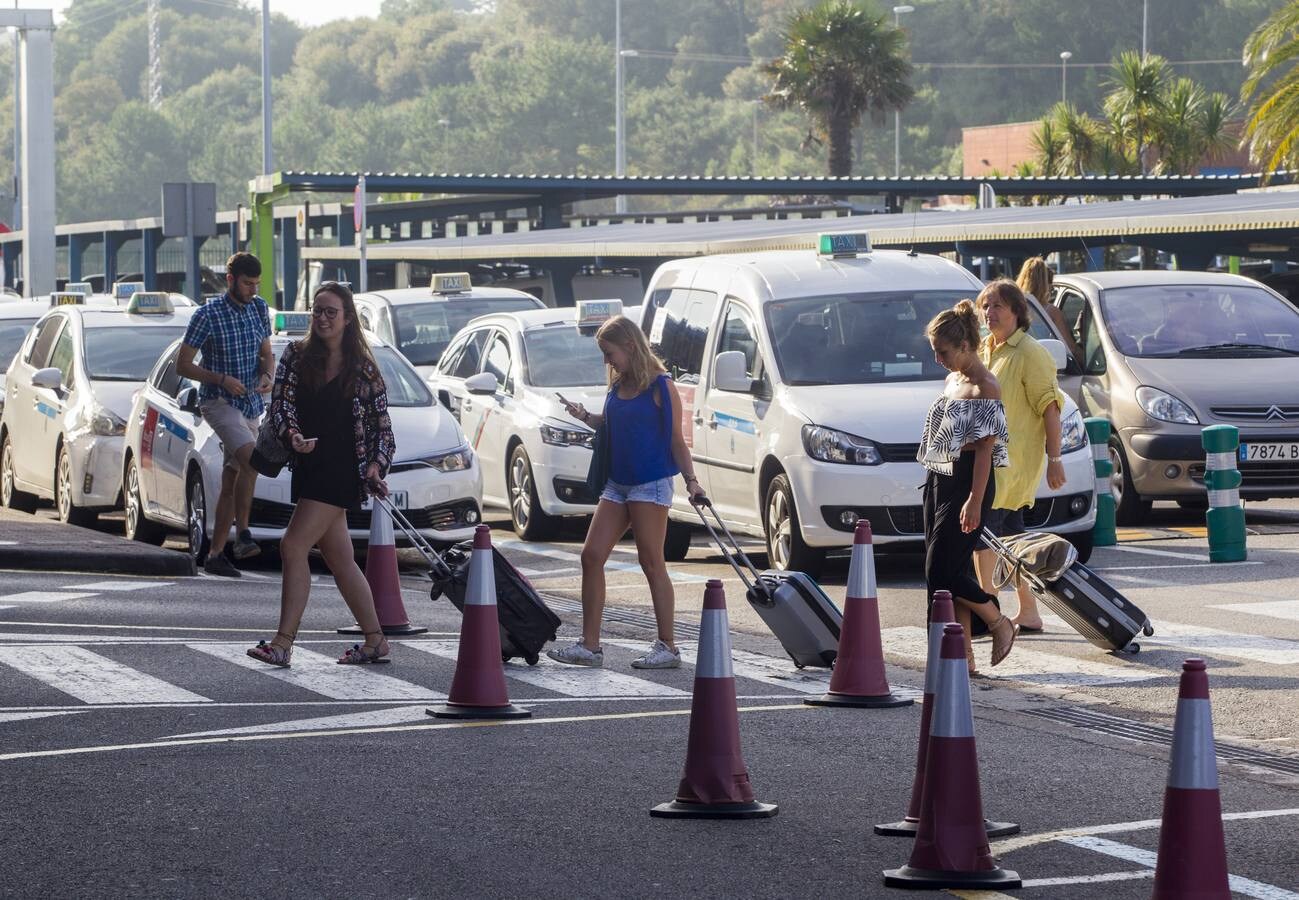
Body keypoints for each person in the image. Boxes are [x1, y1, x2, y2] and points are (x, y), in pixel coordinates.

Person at [246, 282, 397, 668]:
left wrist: (377, 464)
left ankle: (282, 642)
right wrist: (292, 435)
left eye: (332, 312)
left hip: (343, 470)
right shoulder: (297, 356)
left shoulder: (363, 369)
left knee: (292, 546)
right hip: (310, 464)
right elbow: (280, 407)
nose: (324, 318)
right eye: (319, 311)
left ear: (348, 319)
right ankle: (376, 640)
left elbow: (384, 430)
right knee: (340, 558)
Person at [547, 315, 705, 669]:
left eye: (609, 352)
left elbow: (677, 440)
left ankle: (667, 646)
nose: (607, 361)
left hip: (650, 482)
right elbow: (612, 424)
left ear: (630, 346)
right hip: (618, 483)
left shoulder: (661, 386)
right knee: (591, 556)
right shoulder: (618, 385)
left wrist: (692, 481)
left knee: (651, 562)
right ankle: (590, 646)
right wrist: (585, 416)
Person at [919, 300, 1017, 675]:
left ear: (964, 346)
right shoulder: (953, 380)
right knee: (950, 571)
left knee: (939, 571)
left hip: (967, 485)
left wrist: (975, 500)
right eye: (934, 352)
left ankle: (996, 620)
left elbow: (985, 452)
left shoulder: (986, 386)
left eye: (942, 352)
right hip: (938, 479)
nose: (938, 359)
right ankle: (960, 658)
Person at [972, 280, 1067, 634]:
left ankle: (988, 610)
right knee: (1011, 540)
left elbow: (1051, 407)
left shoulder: (1030, 352)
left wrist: (1054, 460)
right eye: (985, 306)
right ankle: (1028, 611)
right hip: (990, 460)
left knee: (983, 538)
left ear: (1016, 312)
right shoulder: (986, 348)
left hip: (1010, 464)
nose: (989, 313)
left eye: (997, 306)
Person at [177, 252, 274, 577]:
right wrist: (221, 379)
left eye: (257, 285)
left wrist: (267, 376)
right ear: (230, 280)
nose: (253, 290)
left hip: (250, 404)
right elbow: (184, 364)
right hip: (218, 401)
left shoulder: (259, 308)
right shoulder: (208, 315)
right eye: (248, 284)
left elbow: (266, 355)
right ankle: (243, 536)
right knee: (252, 460)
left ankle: (216, 554)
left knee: (233, 478)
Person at [1017, 256, 1083, 365]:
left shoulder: (1013, 309)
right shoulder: (1051, 312)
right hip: (1042, 369)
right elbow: (1071, 348)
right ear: (1046, 284)